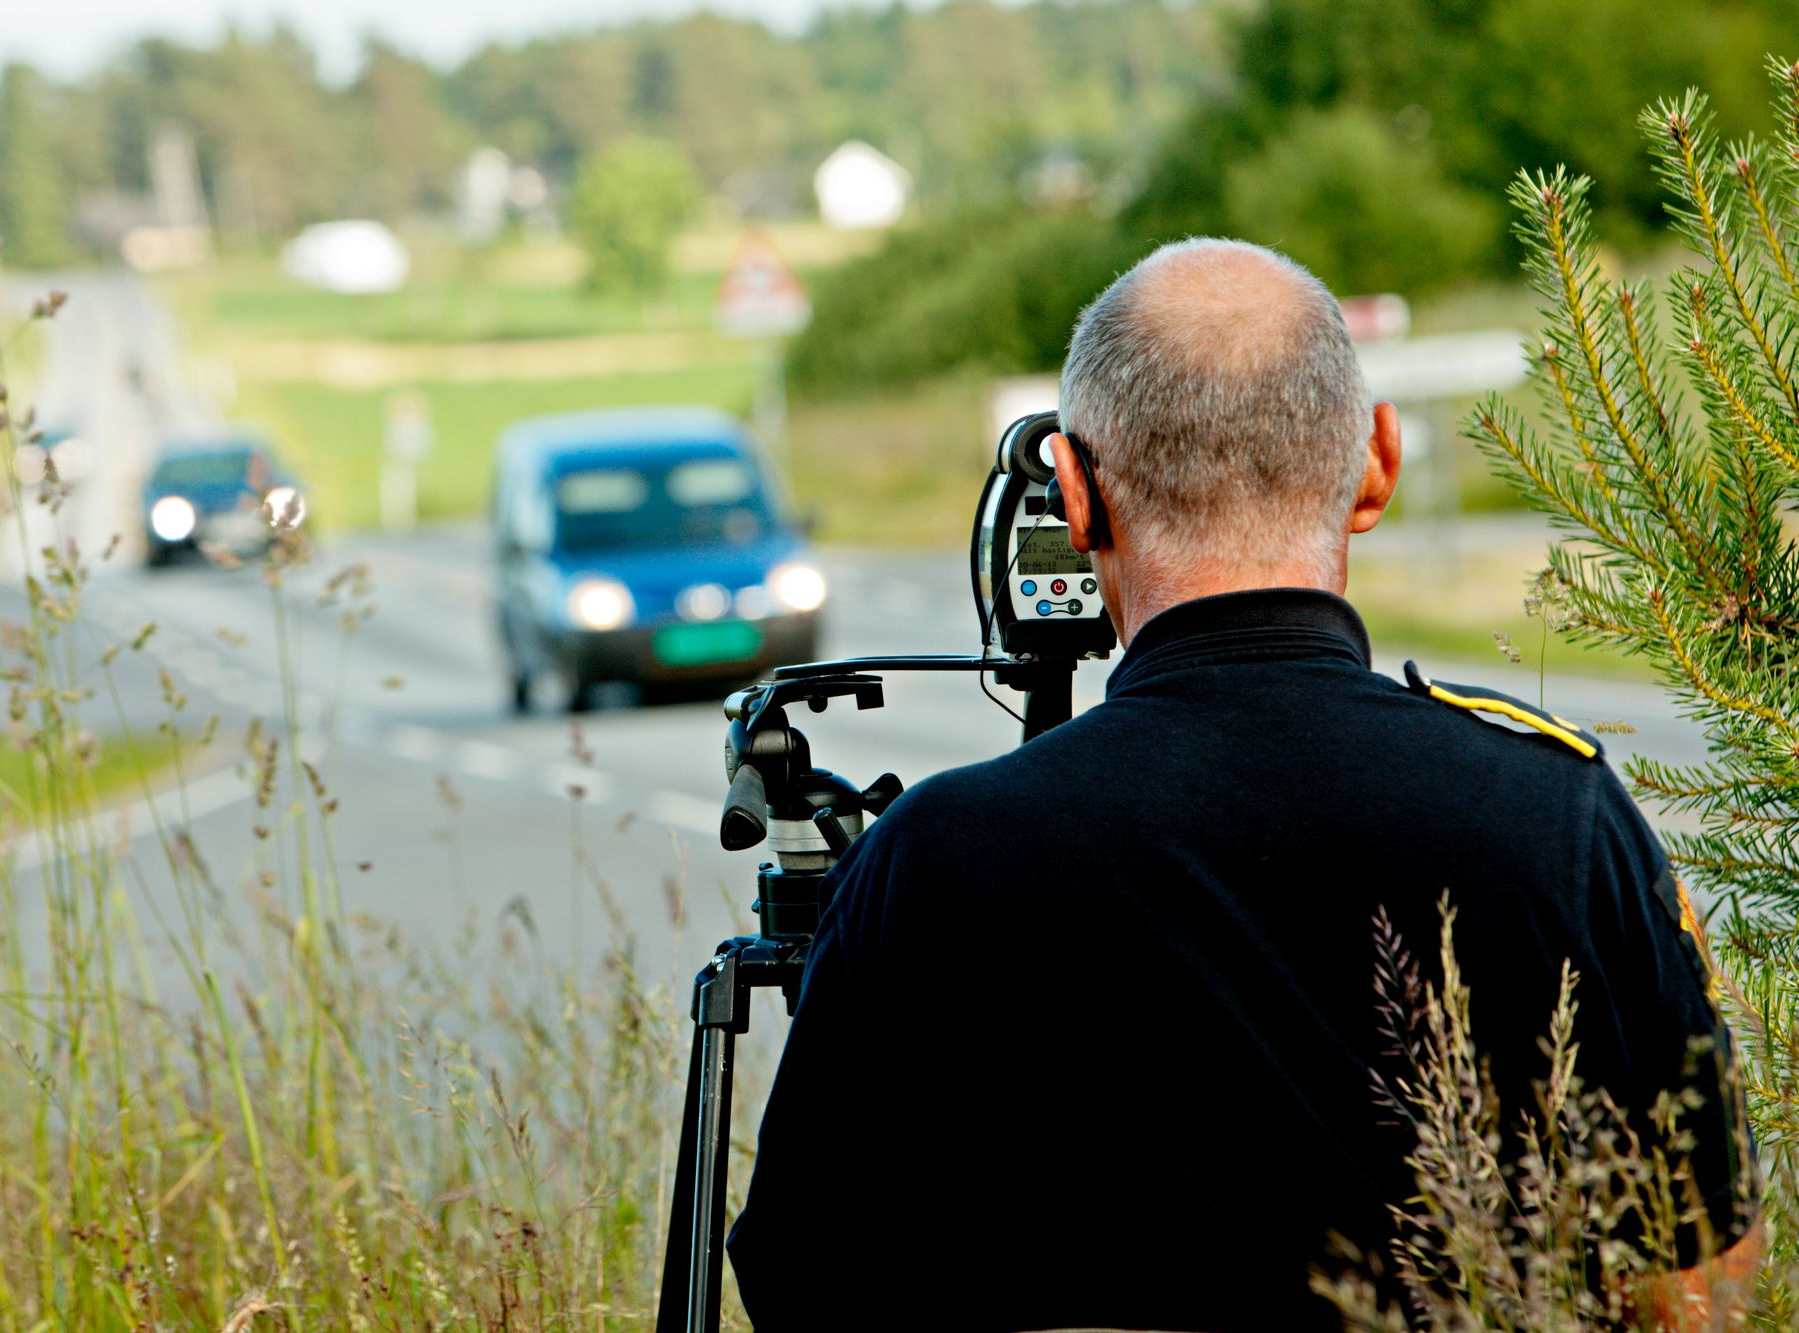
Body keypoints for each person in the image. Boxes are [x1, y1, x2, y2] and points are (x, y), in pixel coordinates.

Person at [724, 239, 1757, 1332]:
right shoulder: (1556, 814)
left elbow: (805, 1277)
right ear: (1376, 464)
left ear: (1075, 495)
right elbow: (1695, 1271)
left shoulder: (936, 856)